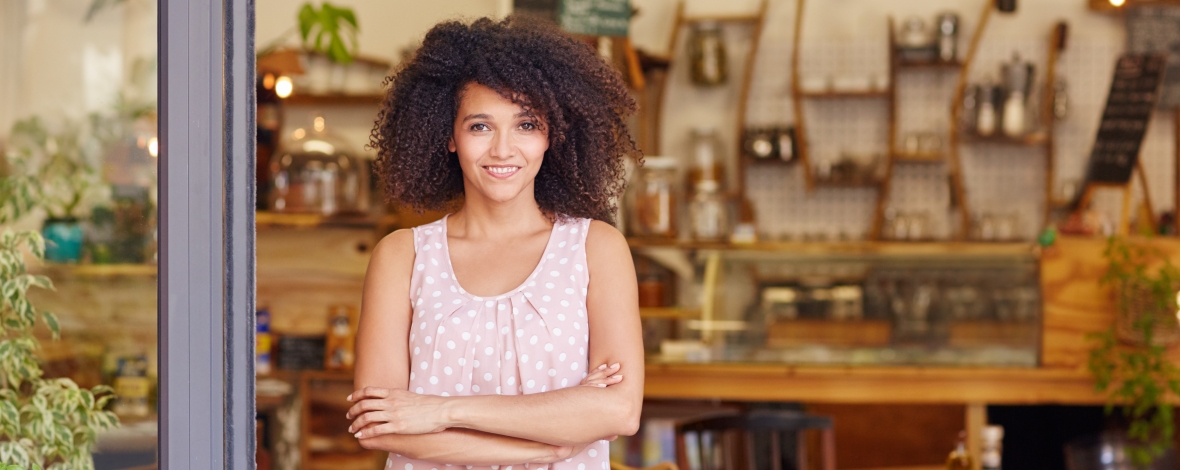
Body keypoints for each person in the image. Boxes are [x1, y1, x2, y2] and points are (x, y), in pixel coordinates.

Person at [346, 16, 645, 470]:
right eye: (480, 127)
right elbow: (380, 424)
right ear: (449, 136)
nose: (503, 149)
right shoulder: (401, 256)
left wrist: (440, 411)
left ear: (552, 135)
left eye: (526, 125)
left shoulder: (596, 249)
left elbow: (619, 410)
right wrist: (547, 444)